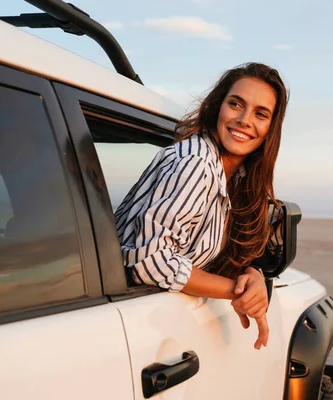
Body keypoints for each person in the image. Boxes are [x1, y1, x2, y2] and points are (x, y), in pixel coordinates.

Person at [114, 62, 288, 350]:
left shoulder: (232, 177)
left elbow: (203, 252)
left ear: (271, 128)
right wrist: (237, 292)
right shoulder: (196, 163)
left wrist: (253, 275)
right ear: (218, 107)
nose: (245, 120)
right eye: (236, 104)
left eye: (261, 114)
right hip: (127, 326)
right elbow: (150, 262)